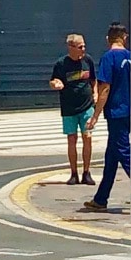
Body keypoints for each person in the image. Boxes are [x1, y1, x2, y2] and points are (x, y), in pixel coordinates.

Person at [83, 22, 131, 214]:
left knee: (124, 153)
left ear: (108, 39)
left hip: (116, 112)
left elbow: (104, 88)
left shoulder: (109, 58)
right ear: (125, 38)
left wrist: (95, 116)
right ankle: (101, 198)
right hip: (130, 112)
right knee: (112, 155)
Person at [50, 32, 96, 184]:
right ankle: (74, 173)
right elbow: (54, 80)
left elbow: (94, 80)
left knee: (87, 137)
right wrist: (56, 84)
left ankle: (87, 172)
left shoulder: (88, 61)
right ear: (70, 47)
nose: (83, 49)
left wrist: (95, 94)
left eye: (84, 46)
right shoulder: (61, 64)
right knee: (72, 139)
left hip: (87, 106)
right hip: (69, 107)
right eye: (79, 47)